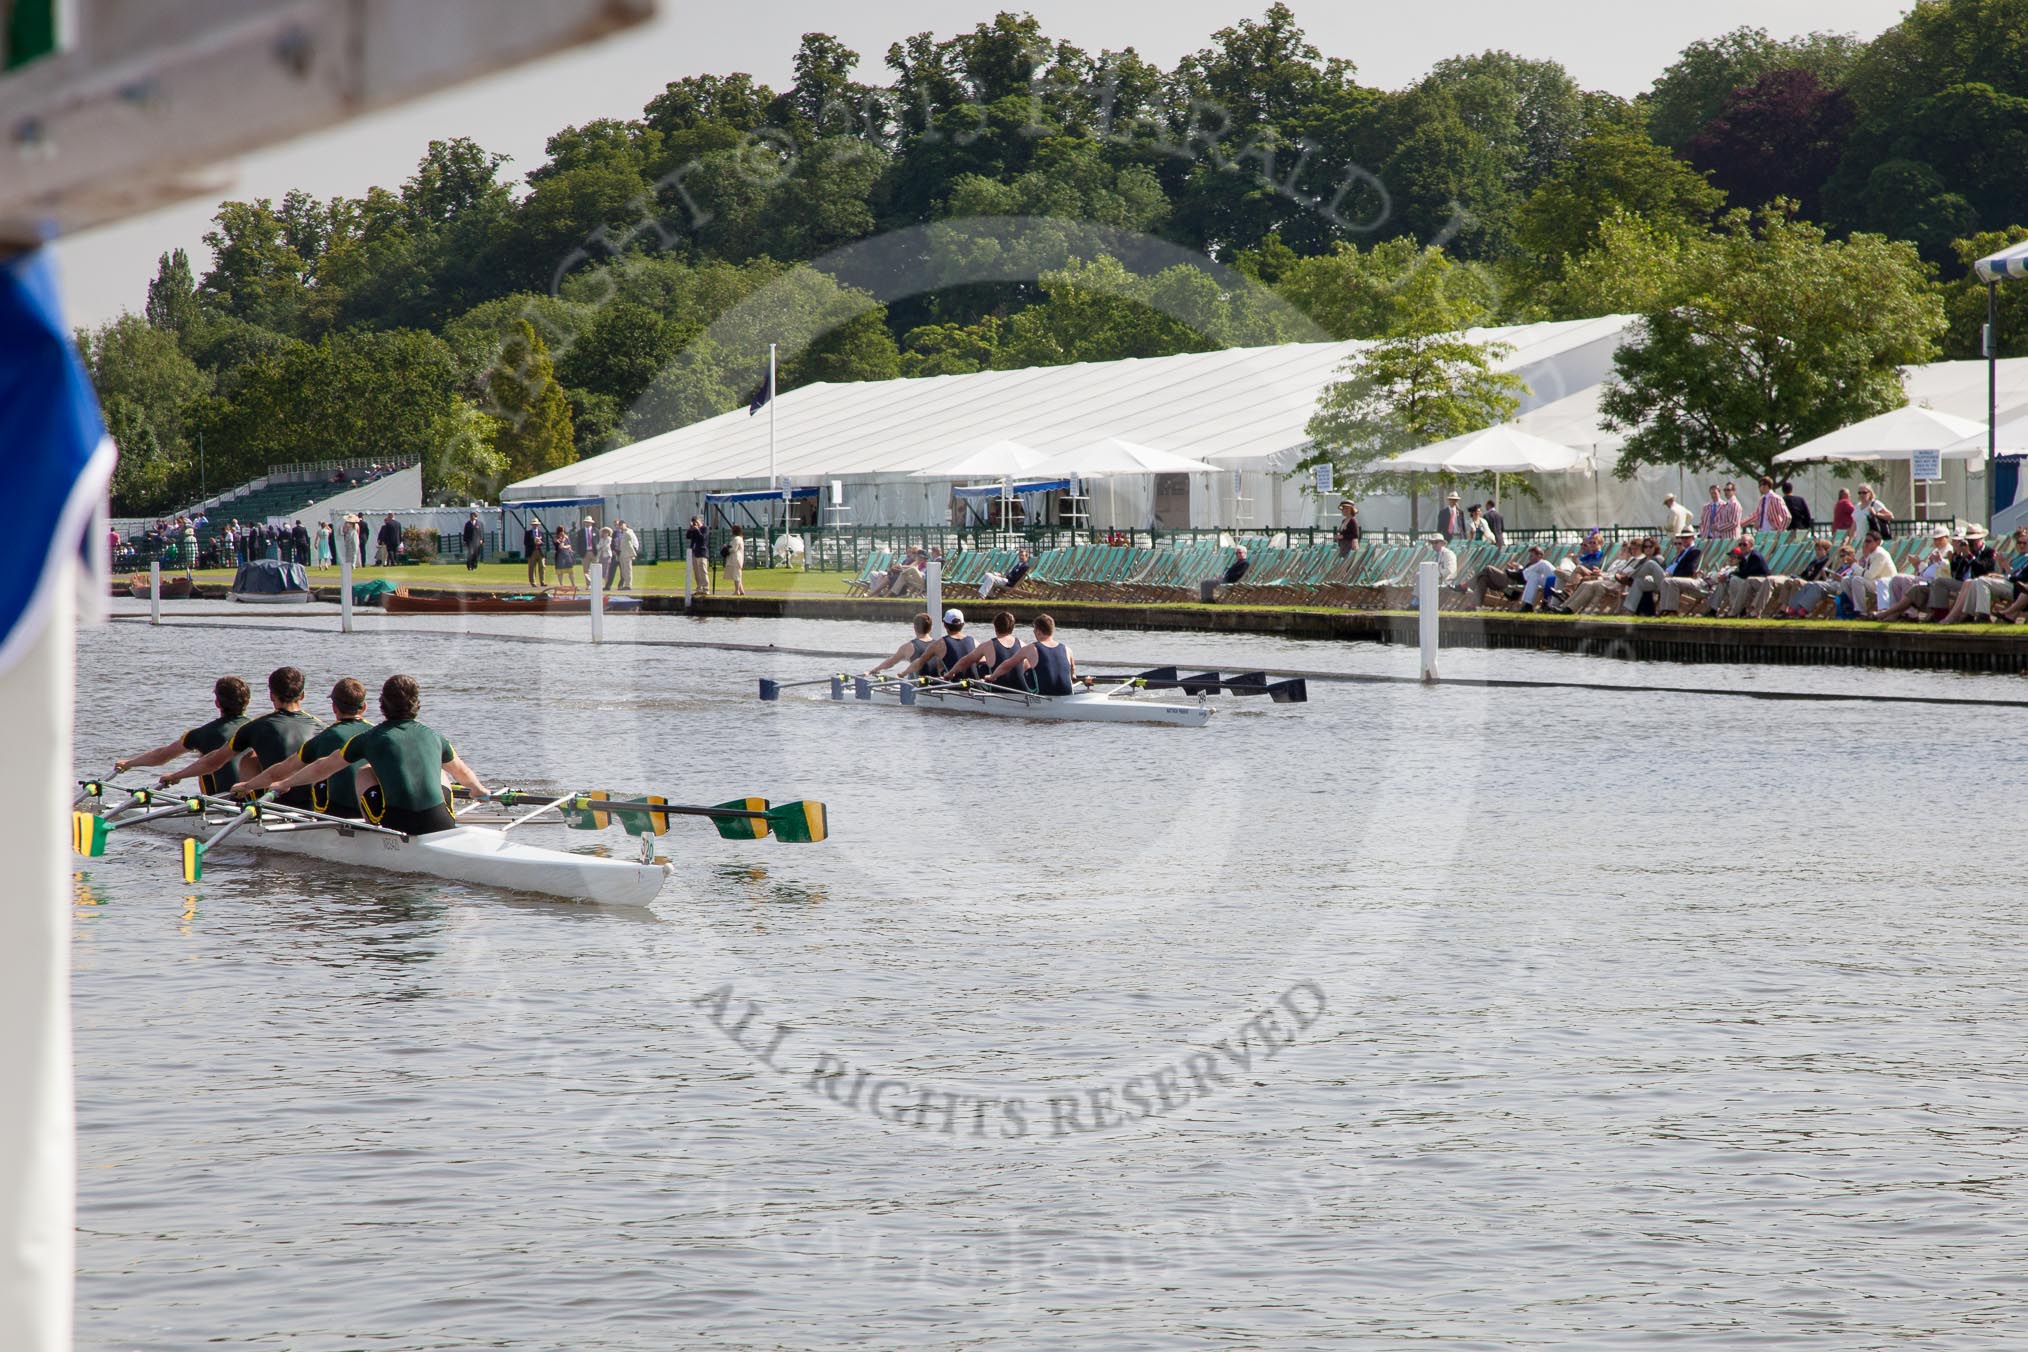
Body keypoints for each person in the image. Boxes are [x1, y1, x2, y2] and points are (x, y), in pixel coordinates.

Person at [264, 675, 487, 836]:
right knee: (440, 769)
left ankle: (370, 831)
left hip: (397, 825)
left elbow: (324, 768)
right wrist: (478, 790)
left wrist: (285, 783)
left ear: (382, 706)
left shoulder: (369, 738)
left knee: (364, 772)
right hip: (442, 822)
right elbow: (463, 772)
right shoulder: (435, 737)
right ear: (416, 705)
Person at [163, 666, 322, 808]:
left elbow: (214, 762)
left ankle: (249, 808)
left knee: (249, 757)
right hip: (314, 807)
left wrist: (175, 776)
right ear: (302, 695)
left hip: (274, 806)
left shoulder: (254, 727)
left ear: (271, 695)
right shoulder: (321, 727)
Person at [234, 677, 370, 818]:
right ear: (364, 706)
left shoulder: (325, 736)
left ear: (334, 707)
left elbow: (281, 771)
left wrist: (248, 786)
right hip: (371, 814)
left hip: (337, 814)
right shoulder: (375, 732)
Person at [112, 676, 253, 797]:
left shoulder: (201, 734)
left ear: (217, 703)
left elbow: (161, 756)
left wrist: (129, 763)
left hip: (221, 804)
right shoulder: (258, 728)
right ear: (248, 702)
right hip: (258, 801)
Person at [1943, 526, 2028, 623]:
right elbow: (1956, 573)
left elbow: (2019, 577)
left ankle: (1982, 616)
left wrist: (2004, 567)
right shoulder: (2017, 557)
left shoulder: (1989, 552)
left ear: (1981, 539)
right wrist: (1957, 557)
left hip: (2018, 588)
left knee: (1980, 580)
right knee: (1974, 581)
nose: (2021, 545)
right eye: (2019, 542)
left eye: (2024, 543)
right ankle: (1968, 615)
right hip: (2006, 582)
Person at [986, 613, 1080, 695]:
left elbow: (1007, 665)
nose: (1034, 632)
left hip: (1044, 695)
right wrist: (1072, 676)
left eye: (1034, 630)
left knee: (1027, 670)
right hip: (1066, 694)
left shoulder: (1031, 648)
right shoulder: (1067, 649)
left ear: (1038, 631)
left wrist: (992, 677)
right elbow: (1072, 673)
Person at [946, 611, 1021, 683]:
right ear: (1013, 627)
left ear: (995, 627)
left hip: (997, 691)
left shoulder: (987, 646)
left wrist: (950, 673)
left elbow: (964, 662)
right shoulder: (1023, 645)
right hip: (1021, 692)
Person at [1786, 544, 1858, 618]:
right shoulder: (1842, 567)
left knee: (1817, 585)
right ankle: (1794, 608)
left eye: (1846, 555)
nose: (1843, 558)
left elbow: (1853, 580)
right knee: (1810, 584)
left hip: (1842, 587)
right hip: (1832, 584)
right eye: (1841, 556)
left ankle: (1804, 609)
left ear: (1852, 555)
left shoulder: (1855, 567)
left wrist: (1841, 579)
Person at [1769, 538, 1837, 616]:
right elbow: (1804, 574)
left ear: (1827, 550)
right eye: (1816, 550)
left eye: (1820, 550)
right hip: (1805, 581)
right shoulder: (1814, 561)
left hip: (1813, 584)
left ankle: (1793, 608)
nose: (1817, 552)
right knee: (1788, 581)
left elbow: (1823, 577)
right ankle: (1783, 608)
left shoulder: (1827, 562)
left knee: (1796, 582)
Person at [907, 608, 977, 678]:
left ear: (945, 625)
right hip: (975, 686)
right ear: (963, 624)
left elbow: (919, 663)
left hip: (951, 686)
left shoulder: (939, 644)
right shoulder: (975, 642)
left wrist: (903, 673)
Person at [1715, 534, 1772, 617]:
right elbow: (1742, 573)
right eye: (1740, 544)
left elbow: (1746, 573)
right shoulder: (1744, 557)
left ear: (1751, 545)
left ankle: (1735, 611)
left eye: (1744, 544)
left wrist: (1729, 575)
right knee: (1726, 581)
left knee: (1733, 580)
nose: (1742, 546)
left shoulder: (1754, 556)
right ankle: (1716, 609)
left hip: (1761, 584)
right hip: (1749, 582)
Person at [1843, 531, 1897, 615]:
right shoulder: (1871, 553)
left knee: (1857, 580)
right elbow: (1865, 573)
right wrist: (1856, 563)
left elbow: (1869, 575)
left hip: (1885, 585)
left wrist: (1854, 565)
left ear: (1878, 542)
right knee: (1846, 580)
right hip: (1875, 582)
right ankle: (1852, 606)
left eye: (1869, 541)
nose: (1866, 544)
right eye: (1865, 541)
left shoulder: (1880, 554)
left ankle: (1861, 612)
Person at [868, 614, 935, 675]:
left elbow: (891, 662)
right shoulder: (939, 644)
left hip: (917, 685)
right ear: (931, 628)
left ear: (914, 628)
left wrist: (876, 669)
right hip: (938, 684)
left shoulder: (909, 646)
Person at [686, 516, 710, 595]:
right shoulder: (694, 530)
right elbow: (688, 536)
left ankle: (706, 588)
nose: (695, 524)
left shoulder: (704, 529)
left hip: (702, 552)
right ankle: (699, 588)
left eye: (696, 522)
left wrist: (697, 530)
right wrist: (690, 529)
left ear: (700, 521)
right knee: (696, 572)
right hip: (694, 552)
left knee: (702, 571)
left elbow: (702, 539)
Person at [613, 519, 638, 590]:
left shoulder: (629, 531)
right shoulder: (622, 533)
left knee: (628, 569)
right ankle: (626, 584)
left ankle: (628, 585)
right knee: (623, 570)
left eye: (621, 525)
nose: (620, 526)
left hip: (627, 554)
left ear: (625, 524)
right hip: (622, 553)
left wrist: (633, 552)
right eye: (619, 525)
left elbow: (633, 541)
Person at [553, 522, 577, 588]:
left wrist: (569, 548)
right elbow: (560, 546)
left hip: (567, 555)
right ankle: (561, 585)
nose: (562, 532)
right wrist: (563, 540)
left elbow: (569, 545)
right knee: (560, 572)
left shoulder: (567, 537)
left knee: (570, 571)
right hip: (559, 556)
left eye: (563, 531)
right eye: (561, 531)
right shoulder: (556, 539)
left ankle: (573, 585)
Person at [725, 524, 746, 595]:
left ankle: (737, 591)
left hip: (735, 559)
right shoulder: (740, 538)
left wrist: (727, 548)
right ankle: (741, 590)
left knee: (736, 575)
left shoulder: (736, 539)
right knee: (738, 574)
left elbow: (734, 549)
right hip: (738, 559)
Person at [524, 518, 546, 587]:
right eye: (534, 524)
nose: (535, 526)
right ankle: (533, 582)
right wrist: (534, 542)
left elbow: (544, 543)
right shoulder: (528, 533)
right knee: (532, 567)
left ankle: (542, 581)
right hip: (532, 551)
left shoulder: (541, 533)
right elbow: (525, 543)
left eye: (536, 524)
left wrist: (540, 542)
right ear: (532, 525)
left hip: (540, 551)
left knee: (542, 566)